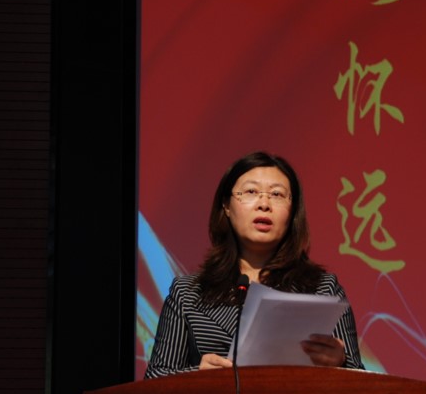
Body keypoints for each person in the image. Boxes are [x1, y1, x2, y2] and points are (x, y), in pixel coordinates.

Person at [144, 151, 364, 378]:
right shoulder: (188, 293)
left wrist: (340, 362)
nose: (264, 204)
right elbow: (155, 378)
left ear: (292, 212)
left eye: (277, 194)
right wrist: (196, 375)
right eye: (251, 192)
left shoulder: (323, 289)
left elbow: (363, 386)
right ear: (226, 206)